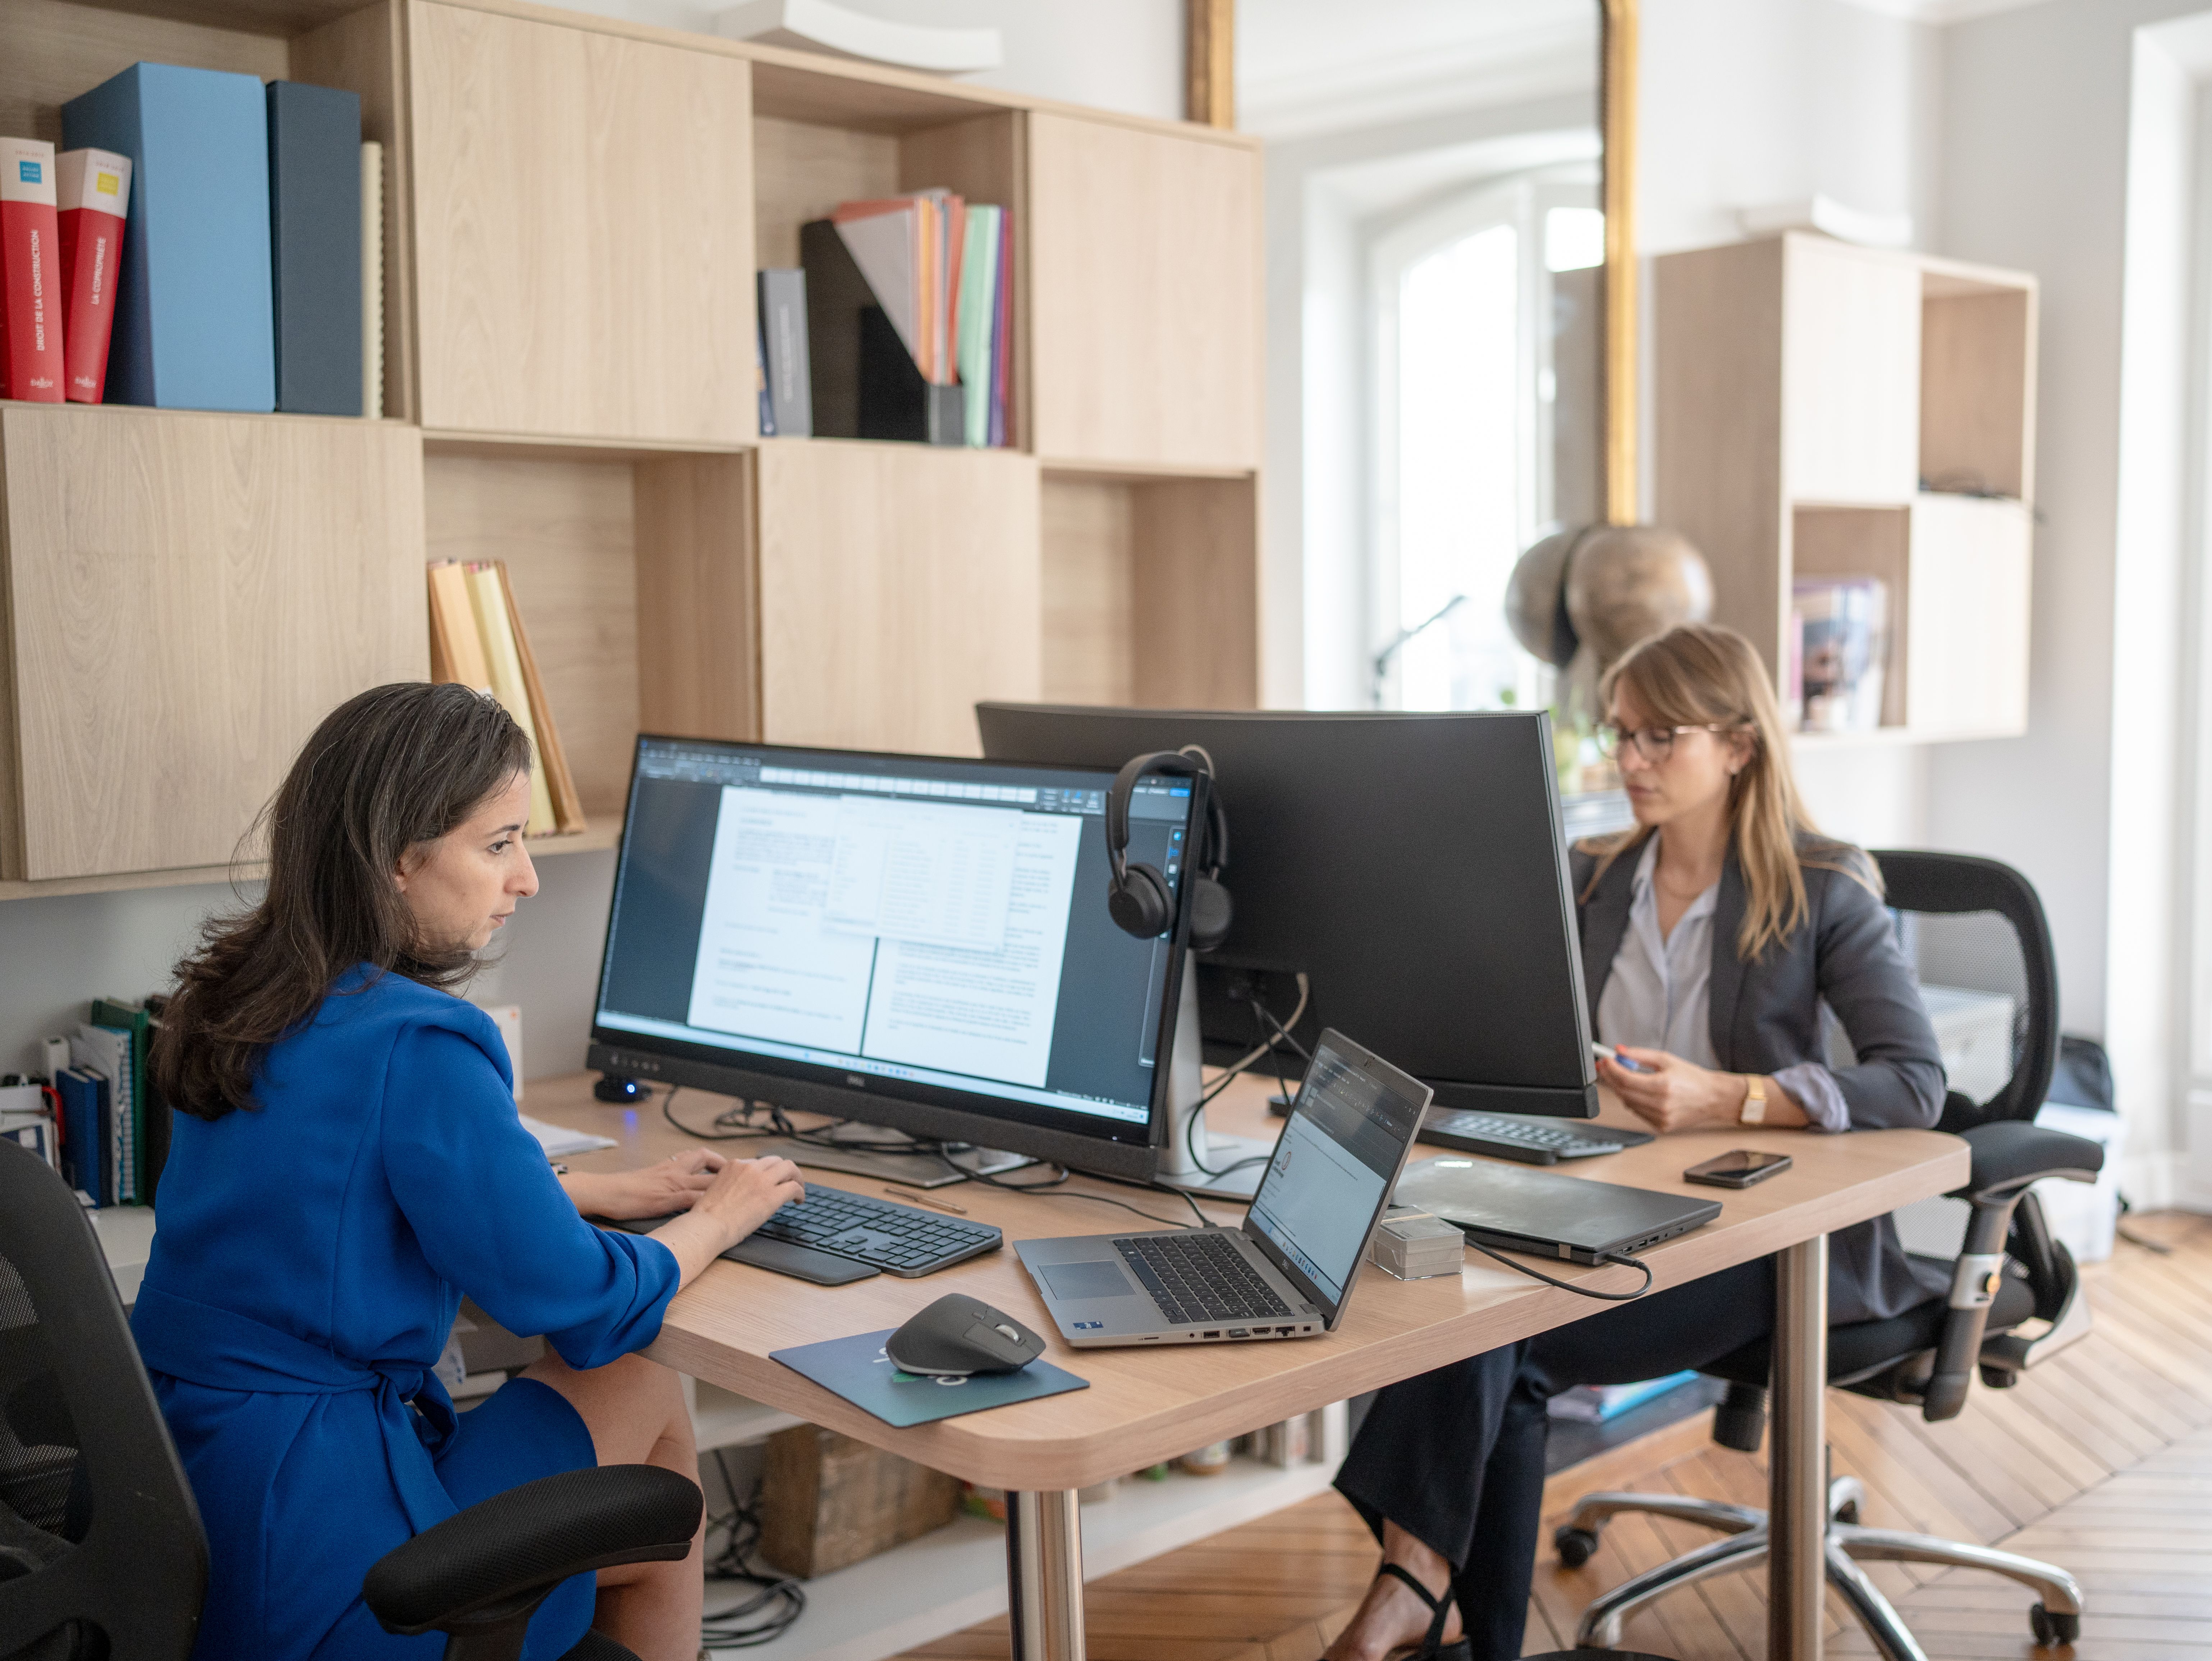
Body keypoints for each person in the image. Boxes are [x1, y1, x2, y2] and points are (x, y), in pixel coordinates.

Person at [134, 682, 808, 1661]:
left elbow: (332, 1193)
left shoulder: (242, 995)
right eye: (498, 843)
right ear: (397, 860)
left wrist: (579, 1192)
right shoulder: (424, 1041)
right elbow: (579, 1305)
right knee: (637, 1378)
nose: (527, 878)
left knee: (622, 1502)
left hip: (197, 1516)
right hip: (338, 1579)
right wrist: (719, 1216)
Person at [1323, 622, 1946, 1661]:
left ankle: (1411, 1593)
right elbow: (1518, 1026)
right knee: (1475, 1324)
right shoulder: (1589, 874)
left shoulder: (1825, 887)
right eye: (1621, 736)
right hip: (1605, 1195)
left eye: (1662, 736)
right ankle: (1456, 1621)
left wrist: (1733, 1098)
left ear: (1739, 745)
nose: (1633, 761)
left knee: (1498, 1336)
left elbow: (1914, 1079)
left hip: (1765, 1234)